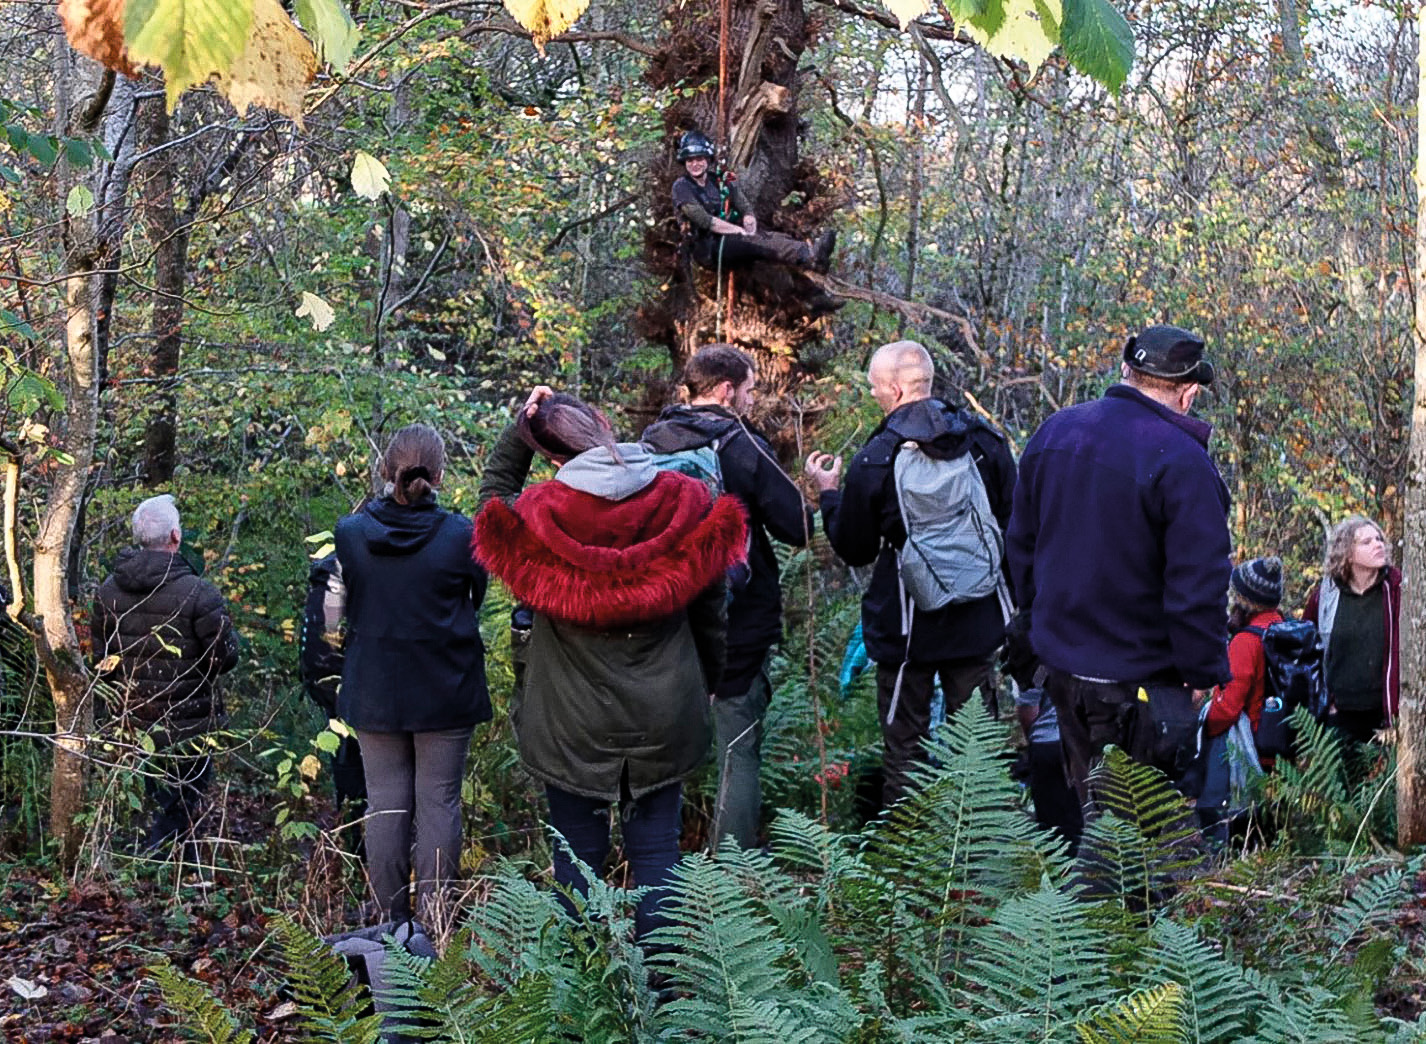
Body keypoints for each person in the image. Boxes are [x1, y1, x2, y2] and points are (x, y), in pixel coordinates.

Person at [475, 389, 746, 939]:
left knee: (576, 856)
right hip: (664, 711)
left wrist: (518, 429)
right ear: (604, 425)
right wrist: (710, 682)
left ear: (551, 457)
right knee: (657, 854)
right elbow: (713, 614)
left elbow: (491, 507)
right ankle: (662, 998)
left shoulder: (538, 516)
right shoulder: (687, 500)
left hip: (569, 720)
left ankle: (586, 991)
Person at [1004, 323, 1231, 827]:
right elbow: (1198, 585)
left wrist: (1041, 624)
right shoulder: (1184, 463)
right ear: (1189, 393)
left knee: (1092, 813)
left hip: (1063, 666)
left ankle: (1092, 903)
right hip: (1141, 680)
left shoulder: (1055, 432)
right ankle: (1124, 904)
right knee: (1142, 830)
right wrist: (1200, 672)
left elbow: (1019, 547)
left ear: (1126, 370)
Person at [805, 340, 1016, 810]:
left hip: (907, 627)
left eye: (876, 388)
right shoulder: (984, 442)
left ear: (896, 389)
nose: (875, 395)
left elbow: (854, 548)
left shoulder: (877, 457)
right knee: (976, 748)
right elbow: (1012, 523)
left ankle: (906, 859)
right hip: (979, 620)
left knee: (906, 749)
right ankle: (978, 860)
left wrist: (829, 494)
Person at [642, 344, 814, 850]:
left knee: (658, 750)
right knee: (738, 747)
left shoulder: (649, 444)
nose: (751, 398)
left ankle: (655, 867)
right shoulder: (742, 443)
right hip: (737, 618)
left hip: (662, 611)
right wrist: (821, 488)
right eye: (750, 389)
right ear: (725, 390)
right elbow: (797, 526)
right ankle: (732, 875)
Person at [328, 424, 490, 922]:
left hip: (375, 688)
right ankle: (436, 924)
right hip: (446, 685)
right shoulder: (463, 534)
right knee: (439, 802)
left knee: (386, 803)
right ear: (440, 473)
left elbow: (336, 611)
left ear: (385, 470)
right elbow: (475, 599)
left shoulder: (350, 533)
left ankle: (389, 925)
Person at [92, 494, 239, 853]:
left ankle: (139, 873)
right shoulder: (198, 592)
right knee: (181, 808)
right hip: (187, 727)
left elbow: (102, 661)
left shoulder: (107, 591)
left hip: (127, 722)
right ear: (175, 536)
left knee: (141, 808)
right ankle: (171, 878)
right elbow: (225, 657)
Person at [671, 130, 841, 313]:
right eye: (690, 160)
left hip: (731, 241)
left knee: (771, 247)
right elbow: (704, 220)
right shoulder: (681, 187)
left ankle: (814, 298)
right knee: (757, 242)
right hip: (709, 249)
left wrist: (749, 217)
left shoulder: (719, 181)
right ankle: (810, 256)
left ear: (707, 159)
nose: (695, 164)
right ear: (684, 162)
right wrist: (739, 231)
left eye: (699, 159)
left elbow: (741, 201)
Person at [1196, 556, 1285, 841]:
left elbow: (1228, 708)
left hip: (1249, 743)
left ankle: (1226, 854)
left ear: (1244, 598)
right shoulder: (1285, 627)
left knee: (1218, 808)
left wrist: (1201, 725)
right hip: (1283, 742)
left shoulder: (1246, 641)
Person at [1303, 516, 1402, 745]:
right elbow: (1308, 650)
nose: (1378, 544)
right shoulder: (1326, 594)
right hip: (1339, 715)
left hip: (1386, 716)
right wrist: (1326, 703)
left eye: (1378, 539)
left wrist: (1395, 715)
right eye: (1366, 542)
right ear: (1347, 553)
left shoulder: (1396, 589)